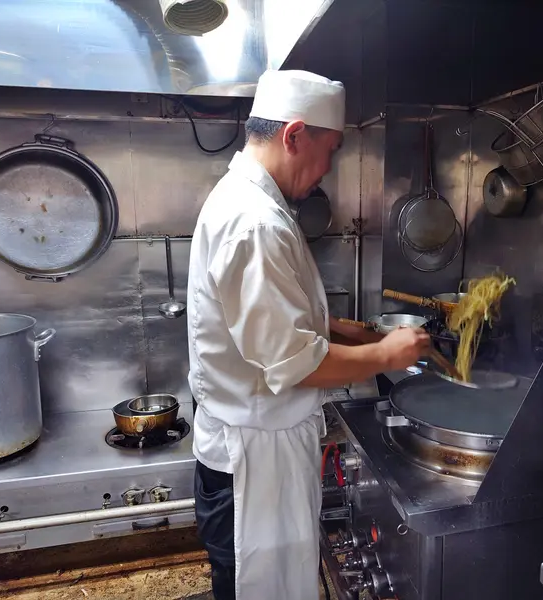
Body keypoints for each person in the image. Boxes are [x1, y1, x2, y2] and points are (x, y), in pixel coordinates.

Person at [187, 69, 430, 600]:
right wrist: (389, 351)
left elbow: (267, 319)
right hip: (255, 466)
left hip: (252, 449)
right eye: (332, 150)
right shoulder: (256, 223)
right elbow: (295, 364)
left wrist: (347, 331)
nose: (328, 169)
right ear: (294, 136)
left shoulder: (251, 202)